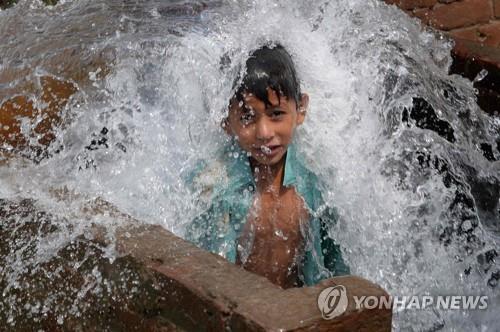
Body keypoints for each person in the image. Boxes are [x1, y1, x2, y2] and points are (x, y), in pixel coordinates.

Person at [185, 44, 349, 289]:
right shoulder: (213, 185)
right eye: (248, 117)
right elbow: (202, 281)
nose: (264, 133)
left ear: (301, 109)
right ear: (225, 122)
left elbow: (337, 266)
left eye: (276, 114)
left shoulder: (315, 183)